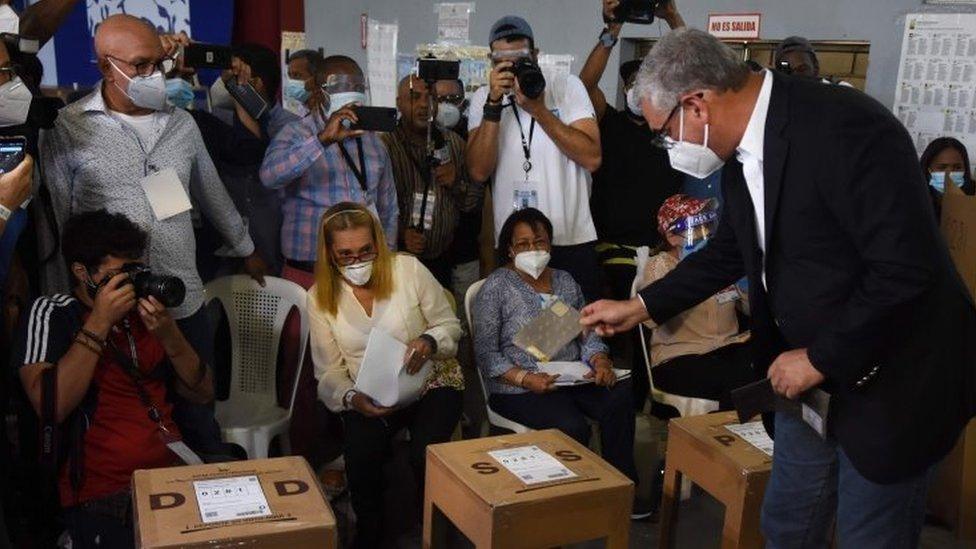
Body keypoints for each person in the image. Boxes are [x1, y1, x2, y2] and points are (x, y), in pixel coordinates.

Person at [580, 28, 976, 547]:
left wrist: (818, 358)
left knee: (868, 535)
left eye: (663, 132)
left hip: (892, 379)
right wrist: (640, 305)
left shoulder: (846, 128)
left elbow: (904, 270)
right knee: (788, 525)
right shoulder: (742, 153)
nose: (667, 147)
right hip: (806, 381)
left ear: (696, 104)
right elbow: (730, 250)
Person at [40, 15, 262, 454]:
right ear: (107, 67)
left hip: (182, 297)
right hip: (113, 308)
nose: (153, 75)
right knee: (128, 429)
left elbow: (212, 192)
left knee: (199, 419)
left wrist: (246, 248)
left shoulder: (181, 124)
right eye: (140, 66)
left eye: (158, 63)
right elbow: (61, 222)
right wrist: (64, 297)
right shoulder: (70, 127)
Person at [10, 209, 213, 549]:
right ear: (81, 272)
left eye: (137, 270)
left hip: (171, 470)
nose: (131, 282)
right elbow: (51, 406)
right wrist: (100, 322)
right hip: (103, 491)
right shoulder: (53, 313)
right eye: (120, 274)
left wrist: (170, 335)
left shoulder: (145, 314)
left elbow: (204, 394)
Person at [473, 207, 648, 519]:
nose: (532, 250)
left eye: (539, 242)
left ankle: (622, 490)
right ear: (510, 249)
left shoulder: (566, 281)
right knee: (571, 426)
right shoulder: (496, 287)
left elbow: (588, 332)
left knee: (619, 398)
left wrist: (600, 360)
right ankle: (570, 505)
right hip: (520, 387)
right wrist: (526, 378)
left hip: (571, 378)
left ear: (550, 246)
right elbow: (486, 354)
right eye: (523, 244)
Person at [308, 202, 462, 548]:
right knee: (361, 454)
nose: (358, 261)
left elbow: (450, 325)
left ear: (378, 243)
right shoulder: (319, 298)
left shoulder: (407, 269)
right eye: (345, 255)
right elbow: (328, 372)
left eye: (366, 251)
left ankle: (436, 531)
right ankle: (370, 534)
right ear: (330, 255)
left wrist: (428, 340)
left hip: (431, 381)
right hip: (371, 394)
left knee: (427, 451)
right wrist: (352, 398)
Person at [467, 16, 603, 301]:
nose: (513, 69)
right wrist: (493, 106)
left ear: (536, 55)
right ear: (491, 63)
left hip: (569, 240)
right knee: (523, 336)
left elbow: (592, 157)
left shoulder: (567, 87)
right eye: (502, 62)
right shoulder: (484, 98)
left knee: (577, 334)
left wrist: (539, 111)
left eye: (520, 60)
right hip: (518, 247)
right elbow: (478, 171)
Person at [260, 54, 398, 291]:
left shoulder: (374, 143)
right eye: (341, 85)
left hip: (362, 269)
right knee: (303, 329)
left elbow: (388, 208)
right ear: (321, 91)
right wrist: (321, 141)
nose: (351, 92)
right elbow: (269, 177)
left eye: (357, 86)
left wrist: (389, 259)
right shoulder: (295, 133)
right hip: (308, 270)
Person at [189, 42, 298, 280]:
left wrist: (241, 93)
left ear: (255, 82)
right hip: (224, 243)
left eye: (231, 77)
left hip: (272, 240)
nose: (223, 84)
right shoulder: (218, 121)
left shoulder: (291, 129)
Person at [637, 194, 753, 410]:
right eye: (697, 226)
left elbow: (747, 309)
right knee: (738, 382)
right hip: (682, 357)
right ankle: (726, 440)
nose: (705, 232)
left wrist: (742, 284)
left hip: (727, 349)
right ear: (672, 236)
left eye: (708, 223)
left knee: (768, 364)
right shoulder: (660, 265)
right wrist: (692, 274)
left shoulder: (719, 266)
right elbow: (652, 316)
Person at [381, 75, 481, 287]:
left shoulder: (454, 143)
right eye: (414, 97)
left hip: (447, 259)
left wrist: (456, 184)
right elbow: (373, 205)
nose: (424, 105)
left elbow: (475, 202)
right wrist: (400, 233)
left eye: (431, 98)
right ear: (399, 103)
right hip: (401, 261)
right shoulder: (384, 145)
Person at [919, 137, 975, 220]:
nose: (950, 173)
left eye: (957, 167)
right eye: (942, 167)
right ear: (928, 169)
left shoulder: (973, 195)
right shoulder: (915, 200)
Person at [283, 49, 323, 115]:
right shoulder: (301, 109)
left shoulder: (328, 111)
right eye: (289, 75)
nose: (291, 81)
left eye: (296, 75)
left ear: (315, 77)